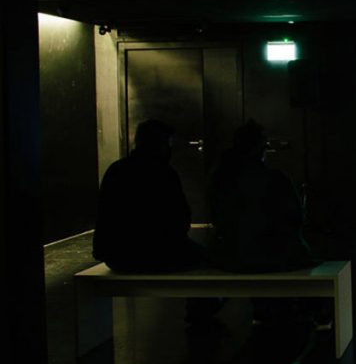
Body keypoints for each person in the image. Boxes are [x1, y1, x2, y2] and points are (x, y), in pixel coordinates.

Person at [208, 120, 323, 327]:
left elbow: (218, 218)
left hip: (231, 255)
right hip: (272, 256)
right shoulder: (275, 179)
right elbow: (295, 220)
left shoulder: (220, 178)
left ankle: (263, 309)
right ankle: (310, 313)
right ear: (261, 147)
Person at [93, 119, 204, 272]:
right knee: (206, 261)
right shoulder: (164, 173)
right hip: (158, 255)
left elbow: (105, 216)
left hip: (117, 257)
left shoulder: (116, 170)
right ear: (162, 144)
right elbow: (180, 218)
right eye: (169, 143)